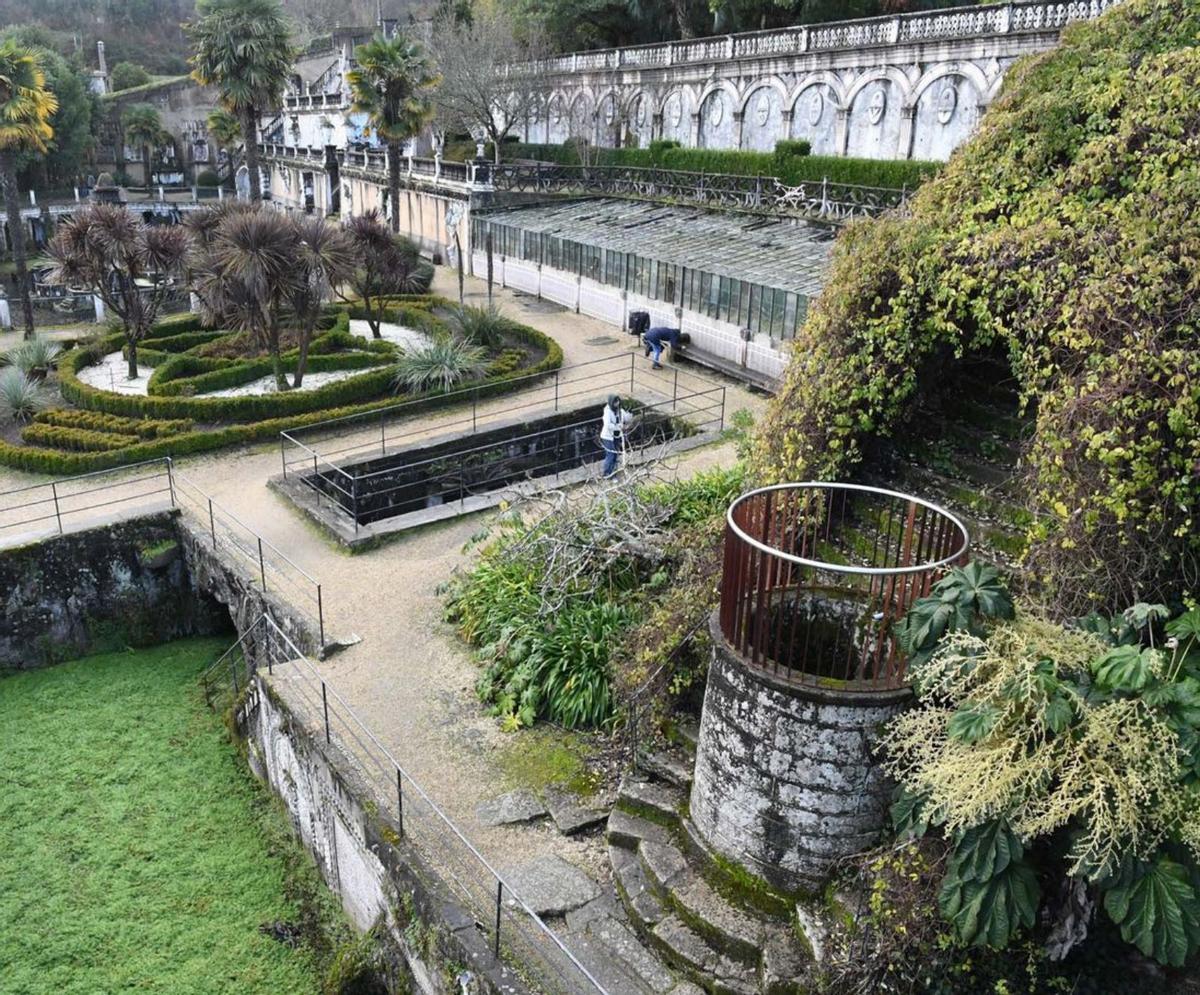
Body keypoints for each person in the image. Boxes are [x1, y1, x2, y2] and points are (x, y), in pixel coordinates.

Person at [599, 394, 635, 477]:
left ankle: (613, 473)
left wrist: (630, 412)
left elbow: (626, 418)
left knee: (615, 455)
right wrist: (617, 427)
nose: (617, 404)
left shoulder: (619, 410)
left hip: (617, 436)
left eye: (618, 402)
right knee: (610, 455)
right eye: (615, 402)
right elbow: (608, 425)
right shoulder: (607, 412)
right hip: (608, 437)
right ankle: (607, 473)